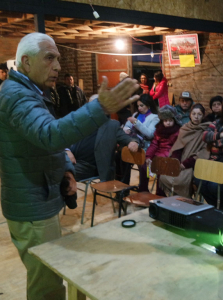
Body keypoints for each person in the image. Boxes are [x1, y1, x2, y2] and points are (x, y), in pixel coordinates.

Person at [0, 32, 139, 300]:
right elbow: (50, 133)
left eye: (58, 58)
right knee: (47, 285)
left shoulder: (31, 91)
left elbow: (41, 140)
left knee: (48, 277)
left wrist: (65, 166)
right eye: (50, 58)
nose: (58, 66)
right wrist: (99, 108)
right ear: (26, 62)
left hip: (38, 198)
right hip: (32, 206)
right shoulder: (18, 96)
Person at [66, 94, 140, 182]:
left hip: (91, 167)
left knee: (60, 174)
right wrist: (67, 151)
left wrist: (133, 142)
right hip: (72, 159)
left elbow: (126, 138)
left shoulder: (111, 125)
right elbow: (64, 138)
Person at [159, 104, 210, 198]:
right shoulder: (184, 128)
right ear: (190, 115)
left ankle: (185, 201)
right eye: (194, 114)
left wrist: (186, 163)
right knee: (163, 176)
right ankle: (172, 201)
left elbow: (204, 152)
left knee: (182, 180)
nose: (196, 117)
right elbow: (178, 146)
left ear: (203, 115)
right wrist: (177, 161)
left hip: (194, 164)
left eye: (199, 114)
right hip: (180, 161)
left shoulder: (207, 130)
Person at [138, 105, 181, 192]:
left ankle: (160, 194)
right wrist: (149, 157)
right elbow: (154, 144)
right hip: (157, 156)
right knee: (143, 167)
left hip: (169, 158)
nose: (168, 123)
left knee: (161, 171)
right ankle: (143, 191)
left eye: (170, 120)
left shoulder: (177, 132)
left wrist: (169, 160)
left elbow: (176, 148)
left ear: (174, 120)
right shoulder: (159, 130)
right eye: (165, 121)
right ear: (162, 121)